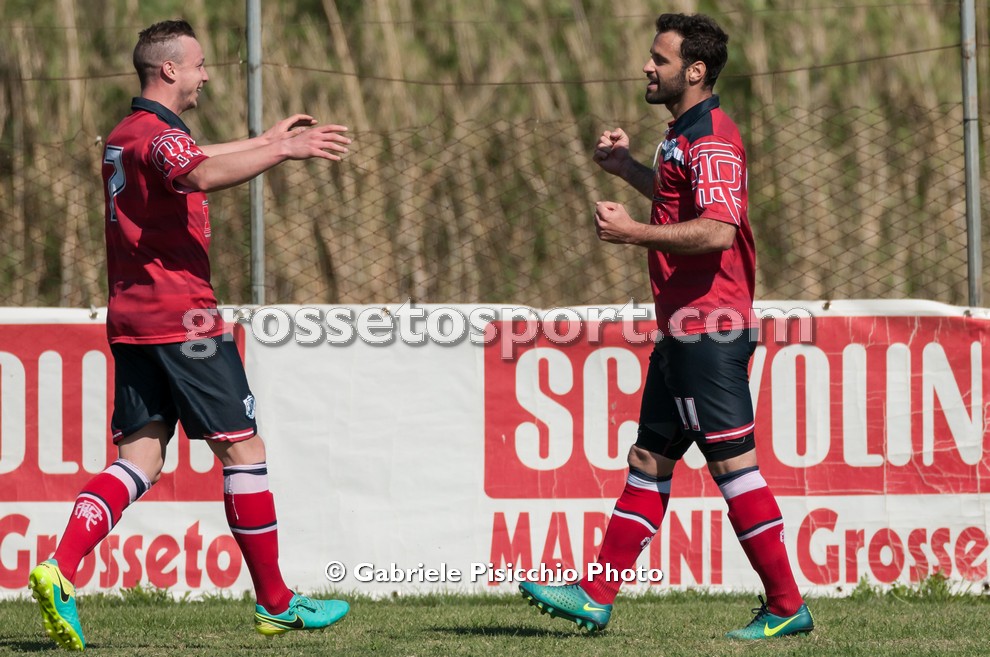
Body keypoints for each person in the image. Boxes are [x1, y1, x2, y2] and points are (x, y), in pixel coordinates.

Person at [28, 20, 352, 651]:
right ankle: (276, 604)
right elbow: (198, 174)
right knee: (244, 451)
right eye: (200, 65)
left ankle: (59, 567)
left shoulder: (128, 134)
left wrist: (264, 138)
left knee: (140, 459)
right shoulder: (160, 137)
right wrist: (283, 152)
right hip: (185, 320)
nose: (206, 76)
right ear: (170, 69)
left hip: (131, 319)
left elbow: (189, 156)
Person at [519, 13, 813, 640]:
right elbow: (682, 203)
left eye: (661, 59)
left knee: (734, 469)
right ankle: (595, 595)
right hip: (683, 330)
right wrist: (627, 168)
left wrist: (632, 233)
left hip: (711, 330)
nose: (647, 67)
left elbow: (717, 230)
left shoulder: (712, 139)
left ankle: (787, 605)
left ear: (695, 70)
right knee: (649, 458)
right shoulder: (681, 136)